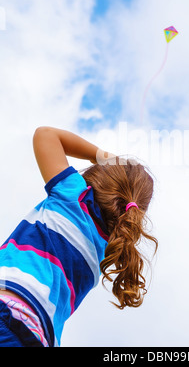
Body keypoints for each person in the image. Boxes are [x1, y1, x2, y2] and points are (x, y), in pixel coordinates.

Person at [0, 126, 158, 347]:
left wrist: (104, 157)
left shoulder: (73, 196)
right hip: (40, 337)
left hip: (7, 305)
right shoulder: (109, 251)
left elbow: (45, 134)